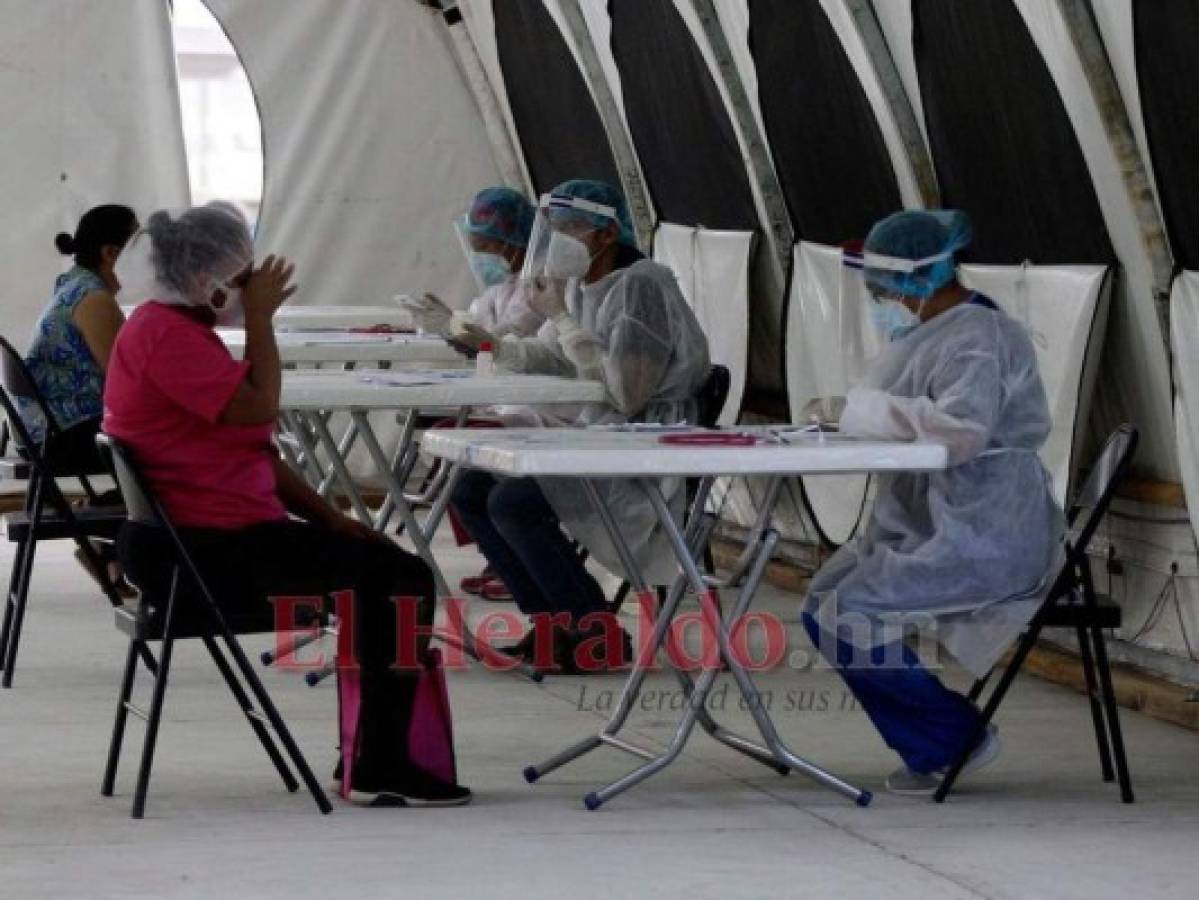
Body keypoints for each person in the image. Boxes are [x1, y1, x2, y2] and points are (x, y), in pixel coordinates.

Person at [103, 204, 470, 807]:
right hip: (200, 554)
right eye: (242, 279)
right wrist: (261, 320)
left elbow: (253, 450)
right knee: (401, 582)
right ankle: (379, 764)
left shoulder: (169, 329)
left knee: (379, 568)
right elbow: (258, 408)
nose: (249, 290)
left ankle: (372, 755)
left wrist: (331, 520)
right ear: (206, 280)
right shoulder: (166, 337)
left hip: (203, 540)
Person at [801, 210, 1063, 796]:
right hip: (930, 520)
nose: (877, 299)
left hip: (982, 528)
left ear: (920, 279)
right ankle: (938, 734)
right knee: (823, 600)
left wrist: (858, 412)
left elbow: (963, 432)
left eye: (882, 287)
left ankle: (951, 740)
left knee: (846, 613)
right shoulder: (927, 330)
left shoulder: (979, 336)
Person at [449, 180, 711, 673]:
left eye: (570, 228)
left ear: (607, 232)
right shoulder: (579, 284)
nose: (557, 238)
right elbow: (555, 354)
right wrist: (494, 346)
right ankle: (549, 625)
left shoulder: (642, 286)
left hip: (645, 440)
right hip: (602, 433)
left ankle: (593, 632)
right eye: (554, 228)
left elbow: (627, 391)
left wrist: (565, 321)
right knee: (470, 490)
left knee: (514, 502)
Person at [402, 187, 540, 602]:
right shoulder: (505, 287)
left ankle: (508, 559)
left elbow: (502, 342)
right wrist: (450, 324)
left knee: (460, 448)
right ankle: (500, 556)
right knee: (457, 454)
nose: (483, 249)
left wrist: (457, 327)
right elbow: (480, 338)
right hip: (512, 400)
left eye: (491, 239)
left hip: (537, 408)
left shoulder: (540, 290)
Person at [19, 205, 138, 471]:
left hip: (45, 432)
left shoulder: (73, 284)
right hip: (66, 439)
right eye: (138, 245)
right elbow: (128, 383)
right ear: (110, 254)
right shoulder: (94, 299)